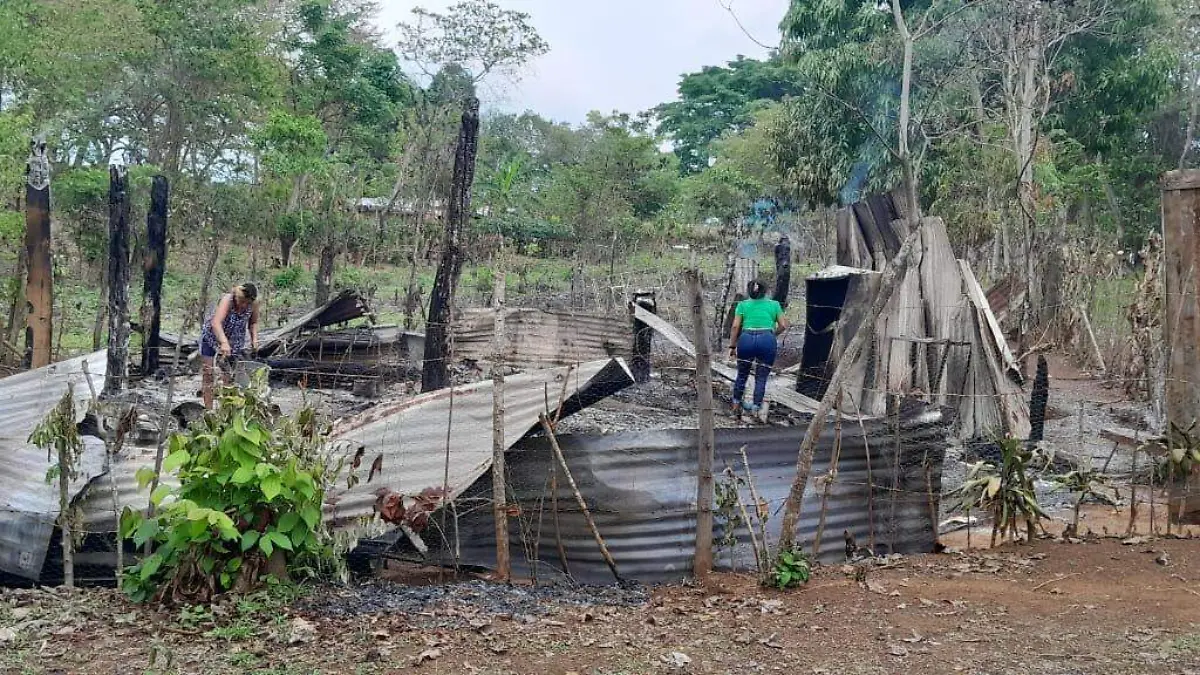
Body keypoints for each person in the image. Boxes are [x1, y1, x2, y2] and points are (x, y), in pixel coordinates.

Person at [728, 280, 788, 414]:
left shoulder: (742, 305)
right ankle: (755, 407)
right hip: (767, 339)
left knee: (742, 374)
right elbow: (783, 325)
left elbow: (735, 326)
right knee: (761, 377)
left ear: (748, 290)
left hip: (746, 339)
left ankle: (736, 404)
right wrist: (773, 334)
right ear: (765, 290)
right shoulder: (774, 305)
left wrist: (732, 346)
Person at [199, 283, 260, 408]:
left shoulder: (253, 305)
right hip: (212, 338)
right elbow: (216, 323)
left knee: (229, 377)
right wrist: (223, 342)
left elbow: (253, 323)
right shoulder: (228, 299)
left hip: (234, 343)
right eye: (241, 301)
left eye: (247, 303)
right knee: (208, 374)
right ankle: (208, 410)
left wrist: (254, 340)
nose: (243, 305)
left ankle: (225, 411)